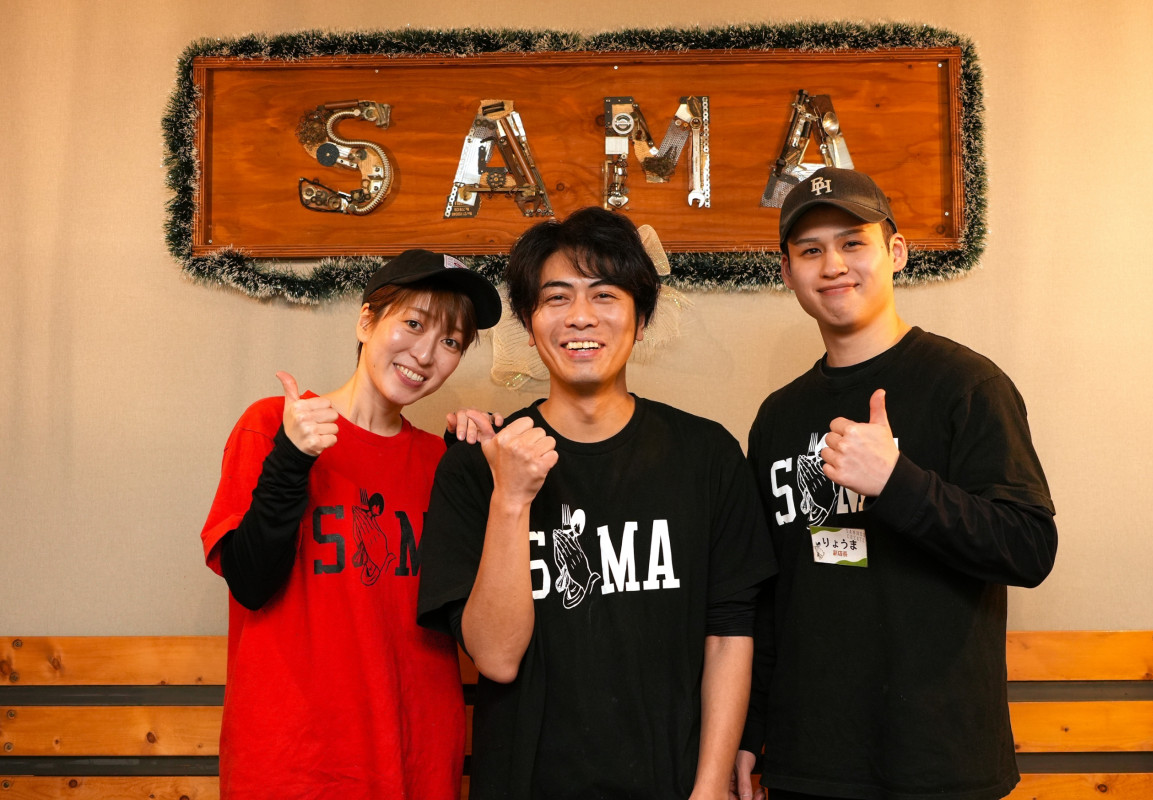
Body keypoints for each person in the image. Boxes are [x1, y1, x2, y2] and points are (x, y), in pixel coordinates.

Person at [416, 207, 777, 800]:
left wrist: (710, 786)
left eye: (605, 294)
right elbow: (496, 658)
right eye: (556, 297)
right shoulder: (475, 467)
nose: (580, 316)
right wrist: (511, 499)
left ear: (642, 319)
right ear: (528, 324)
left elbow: (729, 632)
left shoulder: (707, 455)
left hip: (673, 783)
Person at [733, 167, 1058, 800]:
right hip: (809, 761)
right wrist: (751, 730)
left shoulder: (967, 386)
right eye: (810, 250)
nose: (833, 265)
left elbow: (1029, 547)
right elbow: (771, 594)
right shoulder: (778, 417)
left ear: (896, 252)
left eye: (853, 242)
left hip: (936, 763)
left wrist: (897, 482)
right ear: (787, 272)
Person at [200, 250, 502, 799]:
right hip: (294, 763)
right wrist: (291, 458)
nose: (425, 354)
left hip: (415, 755)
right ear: (366, 321)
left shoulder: (442, 463)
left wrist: (479, 475)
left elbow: (484, 621)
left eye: (451, 342)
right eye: (414, 324)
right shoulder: (273, 424)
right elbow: (249, 582)